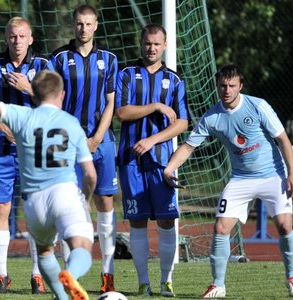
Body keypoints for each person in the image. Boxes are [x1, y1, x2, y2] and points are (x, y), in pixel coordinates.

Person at [0, 69, 97, 300]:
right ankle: (71, 274)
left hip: (34, 201)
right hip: (64, 193)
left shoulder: (24, 115)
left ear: (34, 96)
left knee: (45, 253)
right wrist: (84, 200)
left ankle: (63, 297)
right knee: (82, 246)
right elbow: (90, 175)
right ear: (62, 94)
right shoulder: (71, 122)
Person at [164, 64, 293, 298]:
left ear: (240, 86)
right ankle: (218, 285)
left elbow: (283, 140)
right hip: (241, 179)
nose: (226, 90)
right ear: (217, 86)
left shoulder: (258, 106)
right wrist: (169, 169)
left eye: (231, 86)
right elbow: (188, 147)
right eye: (222, 86)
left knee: (286, 226)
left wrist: (292, 173)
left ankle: (292, 277)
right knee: (220, 227)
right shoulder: (212, 117)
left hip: (272, 175)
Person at [48, 4, 119, 293]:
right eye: (79, 24)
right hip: (68, 144)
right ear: (73, 25)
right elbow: (54, 101)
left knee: (105, 204)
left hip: (102, 143)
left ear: (96, 26)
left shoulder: (109, 59)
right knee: (69, 207)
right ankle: (70, 278)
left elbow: (111, 101)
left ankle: (108, 274)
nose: (83, 29)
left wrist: (97, 138)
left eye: (88, 24)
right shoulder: (59, 58)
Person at [115, 23, 188, 297]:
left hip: (162, 162)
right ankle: (143, 283)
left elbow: (182, 122)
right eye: (147, 43)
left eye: (157, 44)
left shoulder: (175, 80)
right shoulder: (126, 74)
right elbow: (121, 112)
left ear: (165, 46)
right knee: (137, 221)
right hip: (131, 160)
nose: (152, 48)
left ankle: (166, 281)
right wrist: (156, 106)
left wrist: (153, 140)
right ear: (141, 42)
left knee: (167, 221)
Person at [0, 16, 47, 294]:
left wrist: (28, 88)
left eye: (22, 36)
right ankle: (1, 275)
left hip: (35, 149)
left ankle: (37, 275)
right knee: (0, 208)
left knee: (37, 211)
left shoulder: (44, 65)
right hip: (1, 149)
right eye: (12, 36)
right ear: (5, 38)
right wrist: (4, 129)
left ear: (30, 39)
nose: (17, 41)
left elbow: (55, 103)